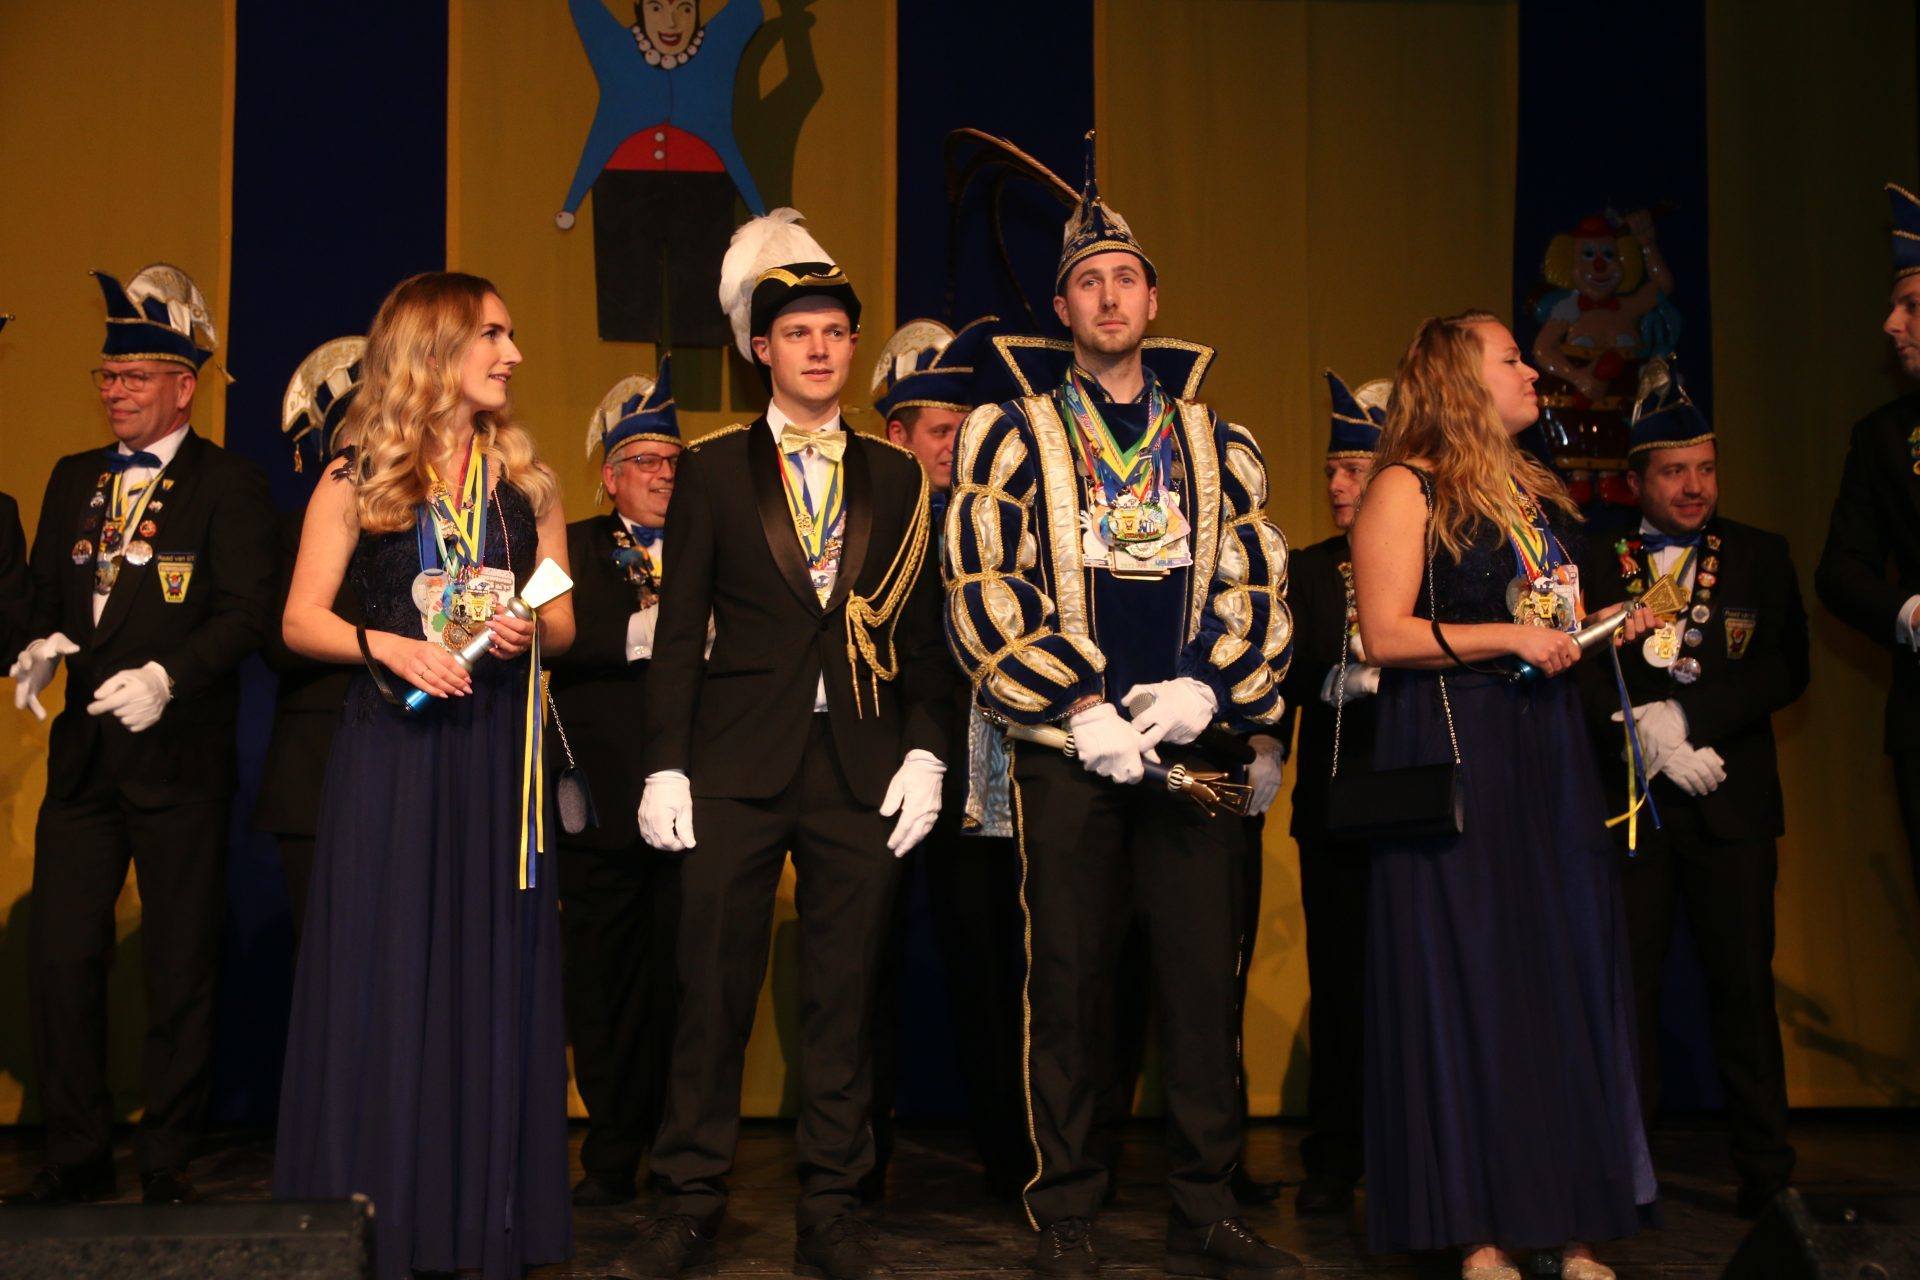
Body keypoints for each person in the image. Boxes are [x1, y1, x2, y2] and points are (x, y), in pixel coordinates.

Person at [946, 133, 1298, 1279]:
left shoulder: (1218, 440)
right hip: (1070, 753)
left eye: (1126, 279)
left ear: (1154, 300)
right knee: (1070, 981)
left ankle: (1208, 1204)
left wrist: (1208, 688)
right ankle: (1067, 1206)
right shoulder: (1011, 430)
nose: (1109, 296)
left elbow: (1256, 582)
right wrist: (1079, 702)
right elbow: (984, 580)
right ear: (1062, 308)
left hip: (1190, 752)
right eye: (1088, 282)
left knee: (1202, 983)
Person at [626, 209, 953, 1280]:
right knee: (709, 992)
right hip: (733, 762)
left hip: (861, 763)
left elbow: (922, 637)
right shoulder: (713, 468)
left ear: (853, 347)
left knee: (844, 995)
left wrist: (927, 751)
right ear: (760, 348)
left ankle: (833, 1206)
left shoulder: (898, 476)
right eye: (798, 332)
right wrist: (665, 762)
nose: (819, 348)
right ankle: (687, 1201)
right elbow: (679, 630)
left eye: (835, 332)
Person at [272, 272, 576, 1280]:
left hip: (494, 757)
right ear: (433, 349)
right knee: (393, 976)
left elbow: (564, 621)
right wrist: (391, 646)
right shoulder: (356, 474)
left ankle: (482, 1220)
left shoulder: (528, 485)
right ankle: (381, 1217)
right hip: (394, 757)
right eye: (492, 334)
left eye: (510, 333)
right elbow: (300, 619)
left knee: (488, 980)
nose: (513, 354)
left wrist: (529, 626)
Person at [1350, 309, 1658, 1280]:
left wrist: (1600, 624)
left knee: (1562, 971)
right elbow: (1385, 634)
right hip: (1460, 742)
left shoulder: (1532, 492)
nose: (1532, 371)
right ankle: (1478, 1229)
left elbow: (1544, 614)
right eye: (1512, 358)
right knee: (1473, 977)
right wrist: (1511, 638)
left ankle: (1569, 1225)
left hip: (1546, 747)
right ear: (1457, 378)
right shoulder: (1406, 485)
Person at [4, 266, 275, 1207]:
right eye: (107, 377)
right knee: (62, 956)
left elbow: (248, 613)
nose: (114, 391)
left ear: (182, 387)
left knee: (178, 964)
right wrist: (37, 644)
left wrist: (169, 676)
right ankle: (75, 1150)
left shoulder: (228, 484)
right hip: (83, 762)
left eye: (133, 377)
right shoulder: (72, 477)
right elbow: (49, 594)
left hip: (179, 759)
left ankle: (166, 1152)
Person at [1576, 362, 1806, 1219]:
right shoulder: (1594, 556)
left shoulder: (1759, 553)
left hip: (1731, 807)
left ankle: (1769, 1175)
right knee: (1627, 991)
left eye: (1706, 468)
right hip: (1631, 808)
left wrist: (1686, 717)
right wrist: (1640, 732)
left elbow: (1786, 668)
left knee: (1744, 989)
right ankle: (1629, 1174)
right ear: (1636, 480)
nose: (1695, 486)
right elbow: (1573, 670)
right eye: (1675, 471)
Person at [864, 316, 1030, 1202]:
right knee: (865, 965)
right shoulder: (863, 519)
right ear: (898, 435)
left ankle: (1015, 1157)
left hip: (980, 773)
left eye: (966, 429)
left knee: (993, 964)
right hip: (877, 770)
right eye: (940, 430)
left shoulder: (1000, 523)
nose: (956, 445)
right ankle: (857, 1162)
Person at [548, 357, 685, 1208]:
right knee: (601, 983)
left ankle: (679, 1151)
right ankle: (609, 1152)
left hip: (696, 803)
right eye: (645, 462)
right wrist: (636, 635)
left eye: (673, 461)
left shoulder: (715, 545)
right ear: (610, 476)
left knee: (683, 982)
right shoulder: (566, 548)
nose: (663, 475)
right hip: (597, 803)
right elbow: (535, 632)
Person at [1265, 369, 1387, 1217]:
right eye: (1333, 472)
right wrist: (1333, 679)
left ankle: (1422, 1151)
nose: (1339, 485)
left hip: (1424, 798)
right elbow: (1284, 672)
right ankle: (1336, 1156)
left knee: (1419, 986)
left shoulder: (1439, 561)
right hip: (1340, 805)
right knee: (1341, 986)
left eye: (1356, 470)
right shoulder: (1310, 570)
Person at [1815, 181, 1920, 896]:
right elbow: (1841, 571)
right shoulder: (1883, 437)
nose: (1889, 323)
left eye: (1910, 305)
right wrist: (1910, 613)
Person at [255, 336, 366, 944]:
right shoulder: (293, 530)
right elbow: (280, 640)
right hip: (316, 768)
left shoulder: (445, 529)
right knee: (323, 952)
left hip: (416, 765)